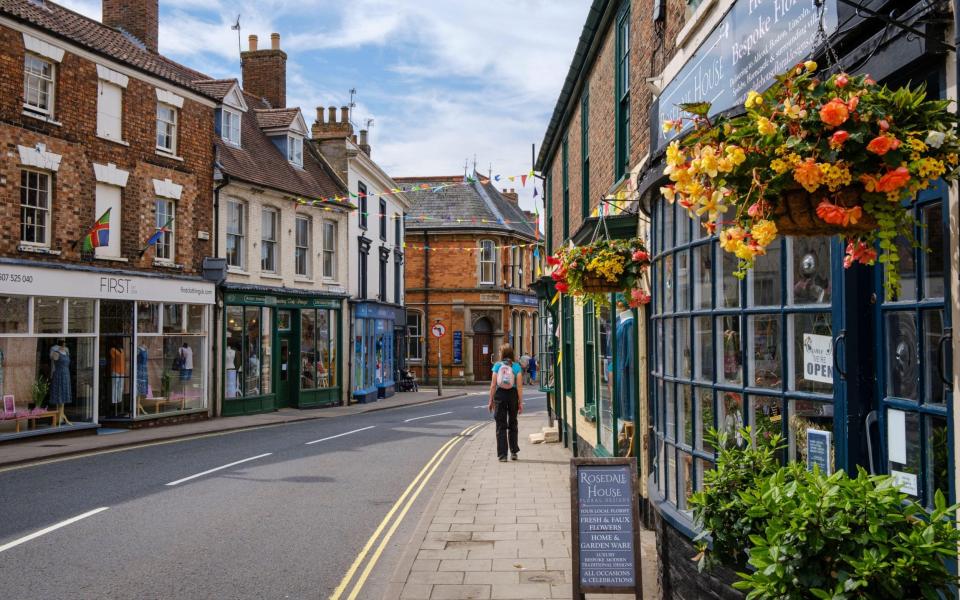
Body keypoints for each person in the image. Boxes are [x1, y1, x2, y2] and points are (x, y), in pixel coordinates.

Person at [487, 343, 523, 462]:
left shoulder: (497, 365)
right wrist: (520, 402)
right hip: (512, 395)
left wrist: (490, 400)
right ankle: (514, 452)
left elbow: (493, 385)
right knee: (513, 423)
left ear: (502, 354)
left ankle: (502, 455)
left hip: (500, 395)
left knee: (500, 425)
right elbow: (519, 386)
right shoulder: (516, 366)